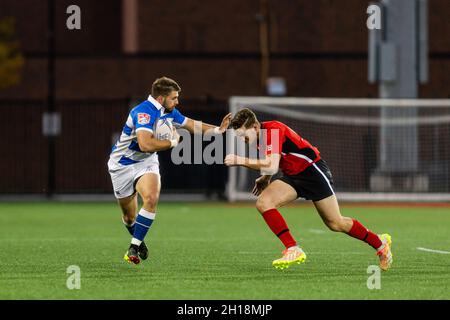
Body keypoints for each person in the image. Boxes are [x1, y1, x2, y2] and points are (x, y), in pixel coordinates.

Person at [224, 108, 393, 270]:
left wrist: (239, 160)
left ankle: (380, 243)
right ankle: (293, 249)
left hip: (313, 172)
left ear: (254, 126)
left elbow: (271, 164)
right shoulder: (257, 137)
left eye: (243, 136)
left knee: (335, 223)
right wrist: (265, 178)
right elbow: (274, 162)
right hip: (293, 176)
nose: (243, 140)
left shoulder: (273, 130)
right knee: (264, 202)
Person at [108, 76, 231, 264]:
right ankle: (139, 240)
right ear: (160, 98)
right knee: (129, 216)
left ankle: (133, 247)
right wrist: (173, 142)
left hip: (146, 163)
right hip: (121, 165)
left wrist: (218, 131)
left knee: (151, 198)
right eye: (174, 98)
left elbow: (191, 125)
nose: (177, 101)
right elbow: (146, 144)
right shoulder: (143, 112)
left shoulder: (169, 112)